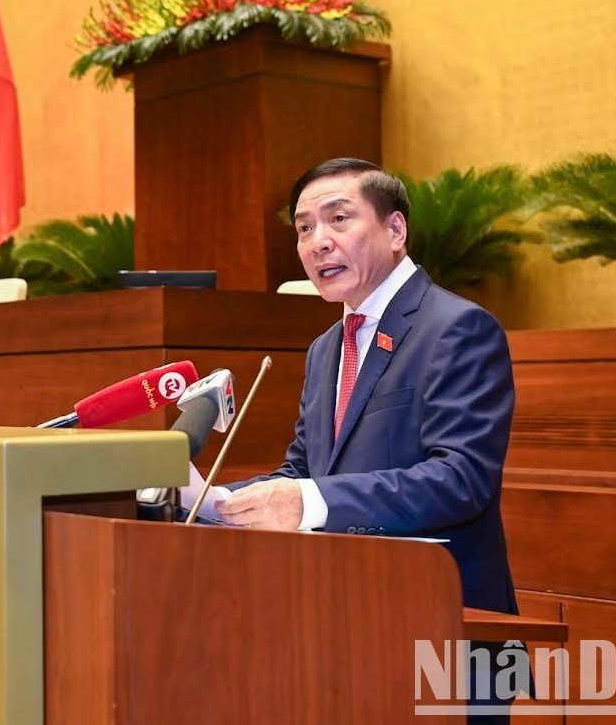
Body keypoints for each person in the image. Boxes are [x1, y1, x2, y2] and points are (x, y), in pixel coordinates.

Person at [213, 158, 518, 612]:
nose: (318, 243)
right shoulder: (326, 348)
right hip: (342, 610)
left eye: (338, 219)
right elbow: (304, 472)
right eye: (303, 228)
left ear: (395, 230)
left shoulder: (456, 328)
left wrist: (306, 500)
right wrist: (210, 502)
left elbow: (460, 480)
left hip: (439, 617)